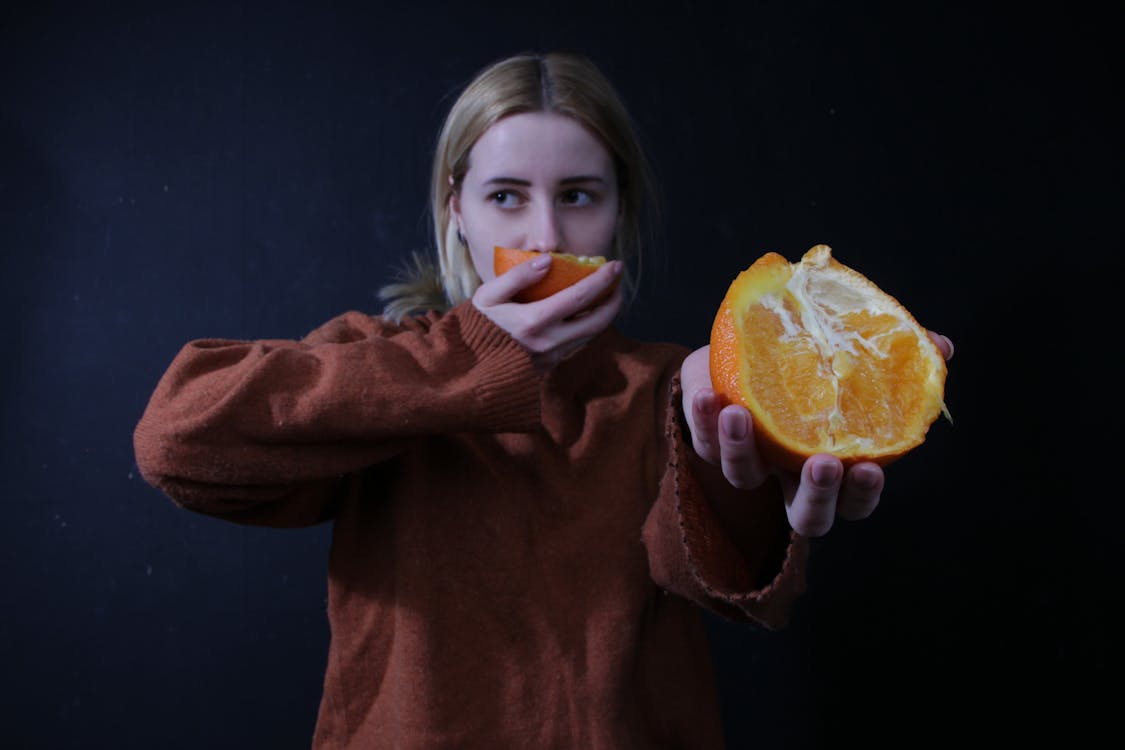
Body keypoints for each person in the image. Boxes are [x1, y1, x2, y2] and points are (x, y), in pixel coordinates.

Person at [134, 51, 954, 749]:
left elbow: (732, 594)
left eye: (577, 196)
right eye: (504, 197)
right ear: (455, 208)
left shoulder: (678, 386)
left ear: (619, 209)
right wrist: (465, 359)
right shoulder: (383, 367)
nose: (546, 238)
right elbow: (178, 441)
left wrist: (732, 482)